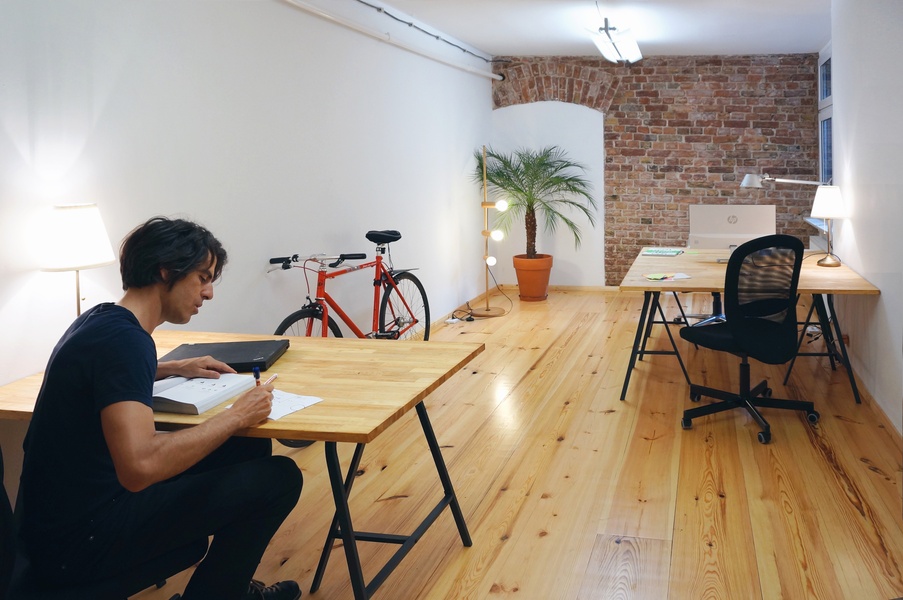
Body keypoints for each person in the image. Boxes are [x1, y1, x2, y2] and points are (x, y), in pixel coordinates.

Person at [18, 216, 303, 600]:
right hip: (81, 543)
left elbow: (103, 373)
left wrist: (171, 366)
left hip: (55, 523)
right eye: (202, 278)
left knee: (245, 448)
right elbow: (141, 467)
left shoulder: (102, 319)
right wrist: (237, 414)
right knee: (280, 478)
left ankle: (227, 588)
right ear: (165, 270)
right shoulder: (126, 343)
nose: (208, 293)